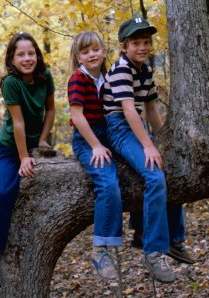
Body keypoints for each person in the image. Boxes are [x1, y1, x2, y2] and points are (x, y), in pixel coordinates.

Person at [102, 16, 193, 283]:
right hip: (118, 127)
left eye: (146, 42)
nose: (142, 47)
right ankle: (153, 251)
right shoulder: (121, 69)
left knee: (169, 168)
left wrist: (164, 139)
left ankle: (174, 239)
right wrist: (148, 145)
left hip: (134, 125)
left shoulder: (145, 69)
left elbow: (151, 108)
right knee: (154, 175)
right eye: (136, 43)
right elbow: (129, 111)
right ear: (123, 46)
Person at [0, 32, 56, 291]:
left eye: (31, 53)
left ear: (37, 55)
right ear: (11, 58)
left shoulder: (46, 76)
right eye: (20, 54)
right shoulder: (11, 82)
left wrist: (42, 141)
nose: (27, 58)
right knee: (5, 191)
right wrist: (23, 157)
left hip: (32, 144)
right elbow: (18, 122)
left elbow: (51, 109)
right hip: (9, 148)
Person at [68, 31, 122, 280]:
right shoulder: (78, 78)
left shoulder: (107, 76)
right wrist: (96, 146)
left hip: (111, 133)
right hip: (87, 138)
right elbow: (77, 116)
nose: (92, 55)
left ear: (103, 50)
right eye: (86, 51)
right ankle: (100, 249)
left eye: (95, 49)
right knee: (107, 182)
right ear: (78, 56)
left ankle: (145, 235)